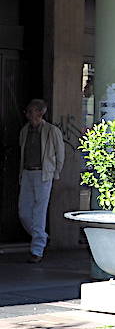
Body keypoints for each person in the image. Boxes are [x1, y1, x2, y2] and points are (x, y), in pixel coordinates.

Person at [18, 99, 64, 264]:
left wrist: (55, 173)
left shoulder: (52, 131)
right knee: (23, 212)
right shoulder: (25, 130)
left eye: (31, 111)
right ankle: (42, 236)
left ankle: (37, 249)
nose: (28, 115)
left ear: (40, 112)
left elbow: (60, 154)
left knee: (39, 211)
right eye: (27, 111)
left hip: (44, 174)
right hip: (27, 173)